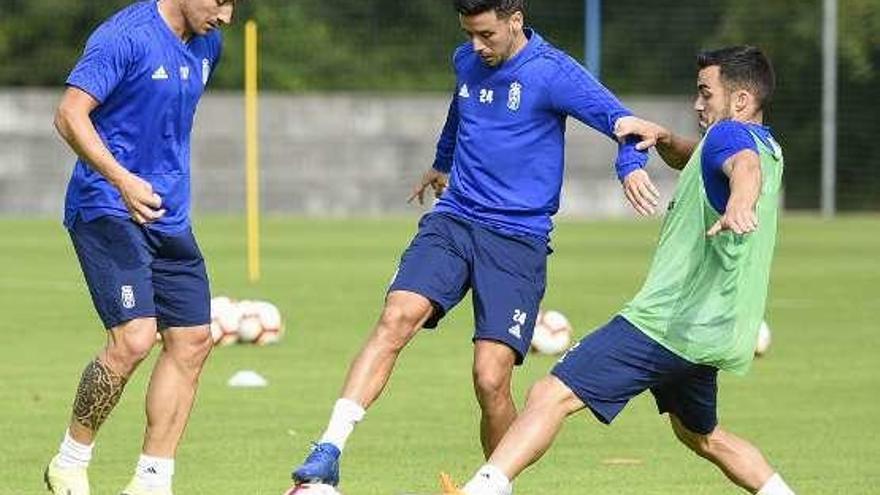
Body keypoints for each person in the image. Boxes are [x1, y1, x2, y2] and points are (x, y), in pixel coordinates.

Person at [288, 0, 657, 489]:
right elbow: (459, 111)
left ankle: (496, 483)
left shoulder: (553, 72)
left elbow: (626, 125)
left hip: (517, 240)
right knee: (397, 315)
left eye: (486, 34)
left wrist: (629, 168)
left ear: (514, 21)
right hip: (454, 220)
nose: (476, 46)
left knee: (490, 378)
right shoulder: (467, 60)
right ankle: (328, 448)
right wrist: (442, 162)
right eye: (469, 34)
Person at [439, 45, 797, 495]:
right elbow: (711, 159)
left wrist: (742, 201)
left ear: (741, 101)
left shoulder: (731, 142)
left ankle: (481, 490)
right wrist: (665, 138)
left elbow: (740, 168)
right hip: (713, 330)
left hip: (666, 322)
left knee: (550, 394)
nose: (697, 103)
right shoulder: (769, 148)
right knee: (702, 435)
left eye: (706, 93)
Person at [43, 1, 237, 494]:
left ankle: (151, 482)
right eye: (221, 1)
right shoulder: (123, 37)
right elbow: (69, 114)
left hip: (168, 215)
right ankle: (69, 461)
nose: (228, 15)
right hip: (106, 204)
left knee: (193, 340)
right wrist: (122, 179)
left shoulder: (207, 41)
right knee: (134, 338)